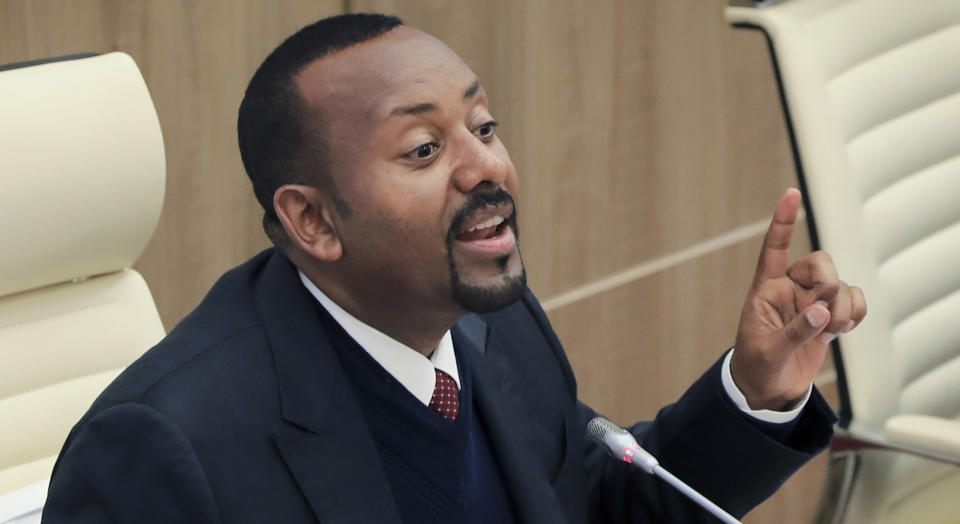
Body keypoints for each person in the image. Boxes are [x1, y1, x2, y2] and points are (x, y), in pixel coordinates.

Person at [42, 13, 866, 524]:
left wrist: (757, 394)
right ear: (314, 220)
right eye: (426, 149)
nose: (486, 170)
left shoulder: (497, 327)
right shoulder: (167, 446)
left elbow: (598, 508)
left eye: (484, 125)